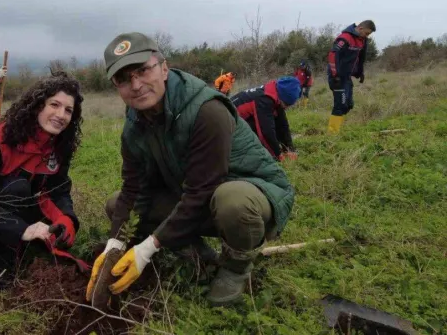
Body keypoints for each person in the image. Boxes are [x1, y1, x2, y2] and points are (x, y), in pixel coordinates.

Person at [85, 32, 295, 306]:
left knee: (233, 201)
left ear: (163, 68)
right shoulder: (135, 124)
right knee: (117, 206)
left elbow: (203, 189)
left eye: (142, 71)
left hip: (251, 195)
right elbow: (133, 189)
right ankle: (197, 254)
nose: (135, 85)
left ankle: (235, 267)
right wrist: (114, 245)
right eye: (123, 79)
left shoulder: (207, 110)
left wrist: (146, 249)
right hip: (197, 197)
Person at [0, 72, 87, 274]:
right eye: (54, 105)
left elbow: (57, 189)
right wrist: (21, 229)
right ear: (39, 105)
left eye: (68, 110)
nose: (61, 115)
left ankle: (32, 246)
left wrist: (67, 218)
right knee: (18, 187)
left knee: (57, 236)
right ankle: (2, 269)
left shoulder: (57, 145)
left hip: (24, 204)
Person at [231, 77, 301, 161]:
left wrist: (289, 148)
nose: (286, 107)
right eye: (286, 104)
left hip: (240, 121)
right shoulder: (264, 99)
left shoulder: (274, 92)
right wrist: (278, 155)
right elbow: (265, 131)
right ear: (282, 97)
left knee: (274, 121)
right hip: (228, 126)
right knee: (264, 127)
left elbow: (283, 125)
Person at [327, 20, 376, 134]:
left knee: (348, 105)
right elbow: (333, 55)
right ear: (360, 28)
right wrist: (335, 76)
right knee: (340, 105)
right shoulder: (345, 38)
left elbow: (361, 58)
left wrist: (360, 72)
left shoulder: (362, 41)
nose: (367, 36)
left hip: (347, 77)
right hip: (337, 76)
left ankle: (337, 128)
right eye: (367, 33)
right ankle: (332, 133)